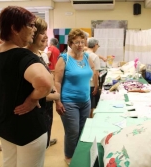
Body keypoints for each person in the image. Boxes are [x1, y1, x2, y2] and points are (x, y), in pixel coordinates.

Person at [0, 6, 53, 167]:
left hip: (4, 125)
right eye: (30, 25)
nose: (34, 30)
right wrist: (32, 99)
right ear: (15, 28)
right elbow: (45, 84)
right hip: (28, 128)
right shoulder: (23, 56)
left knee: (9, 162)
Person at [54, 28, 94, 165]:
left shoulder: (87, 57)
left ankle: (78, 153)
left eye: (82, 42)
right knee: (73, 131)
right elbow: (57, 81)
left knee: (83, 130)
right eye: (77, 42)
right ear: (70, 43)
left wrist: (95, 83)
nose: (80, 45)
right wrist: (57, 102)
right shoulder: (64, 58)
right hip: (69, 101)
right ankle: (69, 156)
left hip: (85, 101)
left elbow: (92, 71)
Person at [26, 17, 58, 147]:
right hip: (35, 111)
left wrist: (57, 99)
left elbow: (50, 79)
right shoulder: (26, 57)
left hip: (46, 109)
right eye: (41, 33)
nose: (46, 37)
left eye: (46, 33)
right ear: (32, 33)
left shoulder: (40, 55)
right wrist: (54, 96)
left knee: (43, 144)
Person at [86, 37, 101, 118]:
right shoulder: (94, 56)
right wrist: (96, 86)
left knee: (85, 106)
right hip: (91, 84)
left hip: (83, 84)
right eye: (98, 46)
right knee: (90, 107)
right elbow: (95, 73)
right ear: (95, 45)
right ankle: (88, 124)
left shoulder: (83, 54)